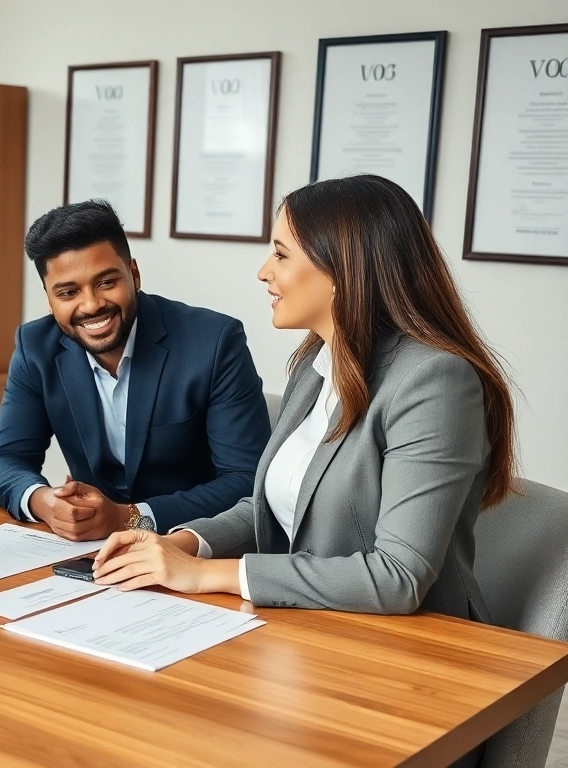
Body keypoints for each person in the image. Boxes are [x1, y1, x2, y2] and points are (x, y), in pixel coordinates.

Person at [92, 174, 515, 623]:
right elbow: (274, 505)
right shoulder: (317, 362)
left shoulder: (435, 381)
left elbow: (398, 578)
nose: (264, 272)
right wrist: (184, 544)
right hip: (315, 625)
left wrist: (205, 574)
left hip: (417, 649)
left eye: (280, 254)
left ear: (340, 271)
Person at [0, 200, 272, 541]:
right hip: (90, 552)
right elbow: (3, 460)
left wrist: (129, 517)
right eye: (68, 292)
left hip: (191, 546)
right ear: (49, 298)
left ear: (133, 274)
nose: (90, 305)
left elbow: (245, 479)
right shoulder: (35, 347)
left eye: (106, 282)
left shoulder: (213, 343)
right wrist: (44, 502)